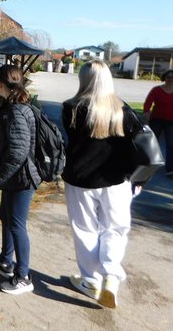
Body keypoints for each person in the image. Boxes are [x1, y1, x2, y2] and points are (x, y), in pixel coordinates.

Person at [62, 59, 141, 309]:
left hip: (81, 179)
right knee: (115, 229)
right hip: (117, 181)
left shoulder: (71, 108)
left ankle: (90, 280)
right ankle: (110, 276)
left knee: (85, 230)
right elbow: (138, 142)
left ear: (83, 79)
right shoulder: (123, 110)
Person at [0, 64, 41, 295]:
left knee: (16, 223)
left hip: (22, 177)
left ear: (2, 84)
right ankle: (5, 261)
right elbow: (11, 142)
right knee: (5, 216)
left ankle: (23, 276)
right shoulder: (10, 107)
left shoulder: (16, 111)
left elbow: (19, 151)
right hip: (15, 176)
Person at [143, 68, 173, 178]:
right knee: (152, 143)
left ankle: (170, 170)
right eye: (168, 77)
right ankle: (148, 165)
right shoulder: (156, 90)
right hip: (157, 120)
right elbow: (148, 103)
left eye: (172, 77)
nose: (170, 79)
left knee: (171, 145)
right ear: (164, 78)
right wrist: (146, 112)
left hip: (171, 122)